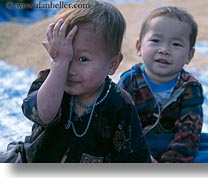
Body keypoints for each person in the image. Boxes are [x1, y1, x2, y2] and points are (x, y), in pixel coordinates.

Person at [0, 0, 151, 163]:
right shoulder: (49, 82)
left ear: (113, 64)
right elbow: (43, 114)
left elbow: (134, 158)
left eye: (82, 59)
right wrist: (59, 64)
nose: (70, 69)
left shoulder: (120, 104)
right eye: (64, 56)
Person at [118, 6, 208, 163]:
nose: (164, 50)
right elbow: (120, 124)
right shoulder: (129, 80)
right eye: (156, 40)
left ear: (189, 55)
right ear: (139, 47)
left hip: (172, 142)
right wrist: (141, 154)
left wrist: (173, 163)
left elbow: (189, 131)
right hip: (138, 143)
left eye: (176, 44)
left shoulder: (190, 87)